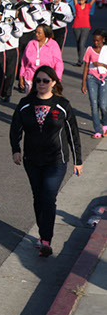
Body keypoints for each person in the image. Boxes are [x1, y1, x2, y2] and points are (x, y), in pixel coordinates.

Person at [10, 66, 82, 257]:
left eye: (45, 80)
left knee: (49, 197)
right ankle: (43, 234)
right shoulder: (25, 104)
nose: (41, 84)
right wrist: (16, 150)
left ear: (54, 82)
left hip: (56, 161)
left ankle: (46, 240)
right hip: (32, 160)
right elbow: (15, 128)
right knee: (38, 197)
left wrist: (78, 160)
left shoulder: (62, 105)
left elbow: (73, 134)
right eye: (38, 80)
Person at [19, 24, 63, 92]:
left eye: (39, 33)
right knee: (32, 100)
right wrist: (21, 76)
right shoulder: (31, 44)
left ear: (46, 33)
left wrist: (57, 78)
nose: (37, 34)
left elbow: (59, 63)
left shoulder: (53, 45)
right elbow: (24, 62)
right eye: (36, 32)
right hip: (30, 78)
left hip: (46, 80)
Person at [81, 29, 107, 139]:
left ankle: (105, 124)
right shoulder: (90, 50)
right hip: (92, 78)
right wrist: (83, 83)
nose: (96, 43)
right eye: (94, 41)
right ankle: (97, 130)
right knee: (94, 104)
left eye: (98, 41)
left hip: (104, 78)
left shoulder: (106, 51)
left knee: (103, 105)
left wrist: (101, 64)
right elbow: (86, 66)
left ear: (103, 40)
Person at [72, 0, 97, 66]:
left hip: (86, 27)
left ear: (85, 0)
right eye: (80, 0)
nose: (81, 1)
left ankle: (80, 61)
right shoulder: (77, 6)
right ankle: (80, 58)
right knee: (78, 43)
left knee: (82, 43)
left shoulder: (88, 6)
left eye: (82, 0)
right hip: (76, 27)